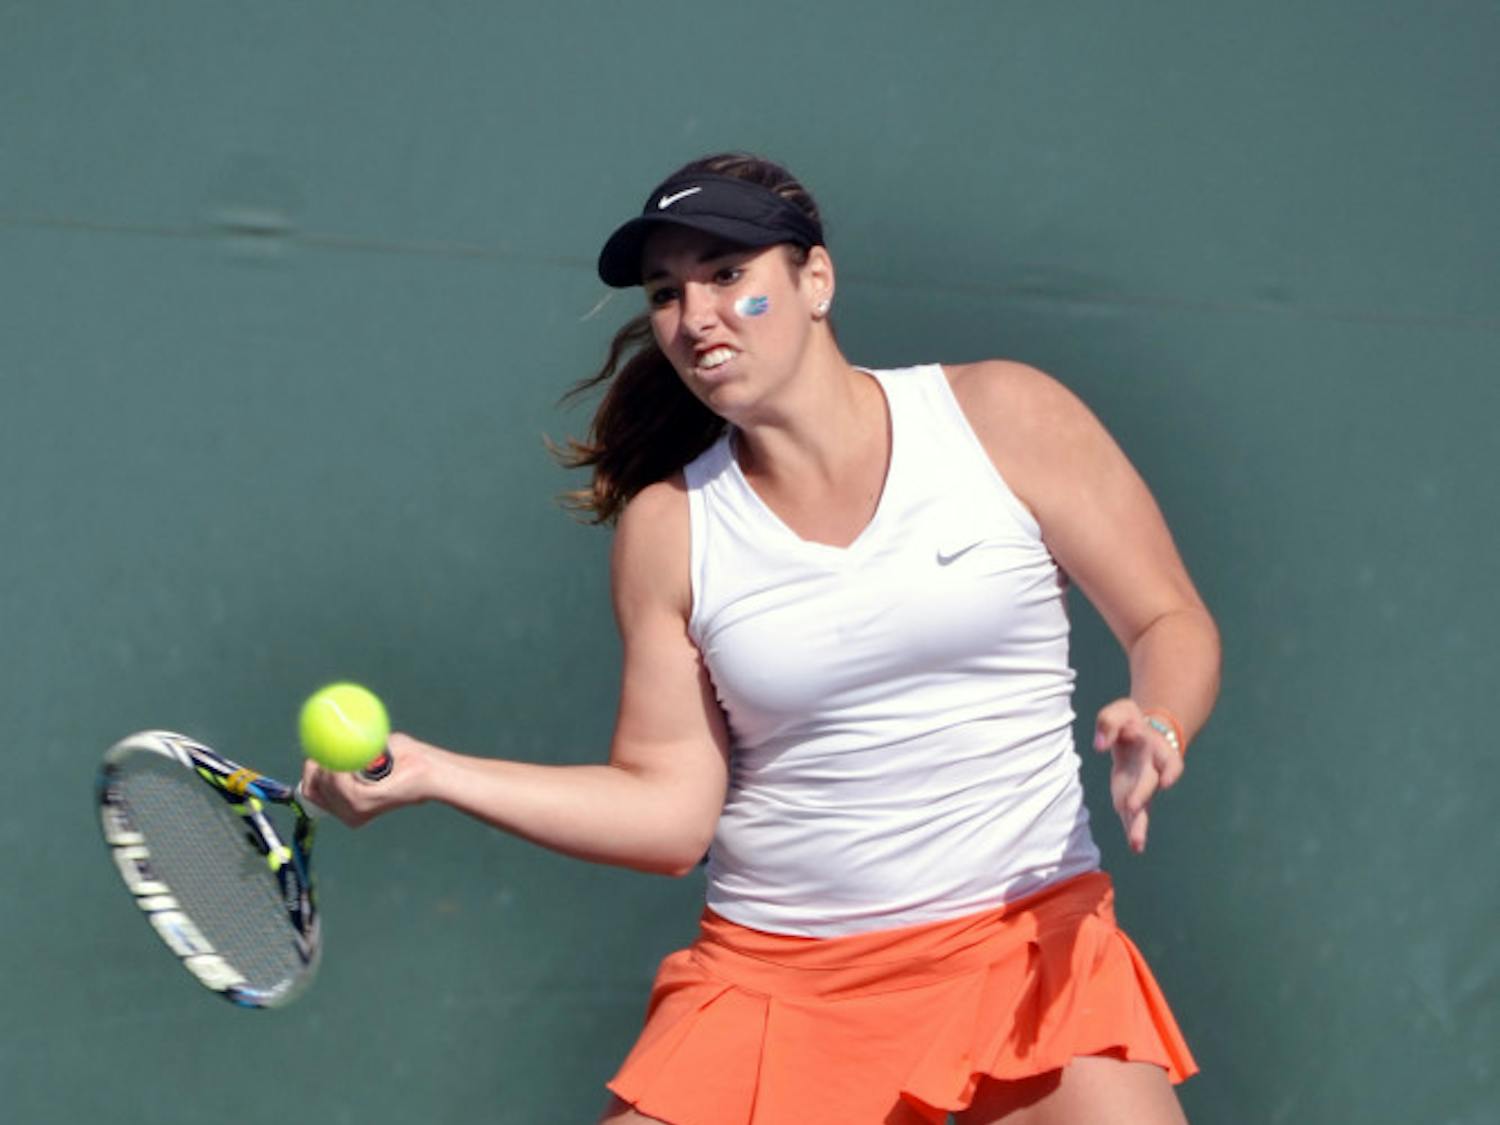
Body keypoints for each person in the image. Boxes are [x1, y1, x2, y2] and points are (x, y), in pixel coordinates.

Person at [302, 152, 1222, 1125]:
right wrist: (436, 772)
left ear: (814, 280)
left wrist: (1159, 721)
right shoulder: (671, 531)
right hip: (777, 991)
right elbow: (669, 814)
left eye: (728, 274)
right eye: (667, 291)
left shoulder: (1002, 415)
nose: (694, 314)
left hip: (1033, 948)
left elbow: (1170, 619)